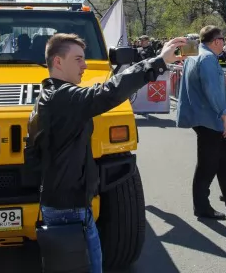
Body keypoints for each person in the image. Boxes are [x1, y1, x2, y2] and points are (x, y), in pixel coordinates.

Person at [26, 33, 186, 273]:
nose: (85, 65)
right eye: (78, 59)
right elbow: (109, 91)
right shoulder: (63, 98)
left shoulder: (49, 94)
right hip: (70, 210)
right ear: (58, 62)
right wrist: (157, 61)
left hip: (62, 203)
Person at [177, 26, 226, 220]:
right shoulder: (207, 59)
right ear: (215, 41)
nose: (224, 42)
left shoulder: (197, 55)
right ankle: (202, 207)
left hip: (204, 117)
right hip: (209, 119)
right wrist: (225, 117)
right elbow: (211, 93)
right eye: (222, 39)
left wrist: (222, 80)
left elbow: (203, 83)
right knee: (207, 165)